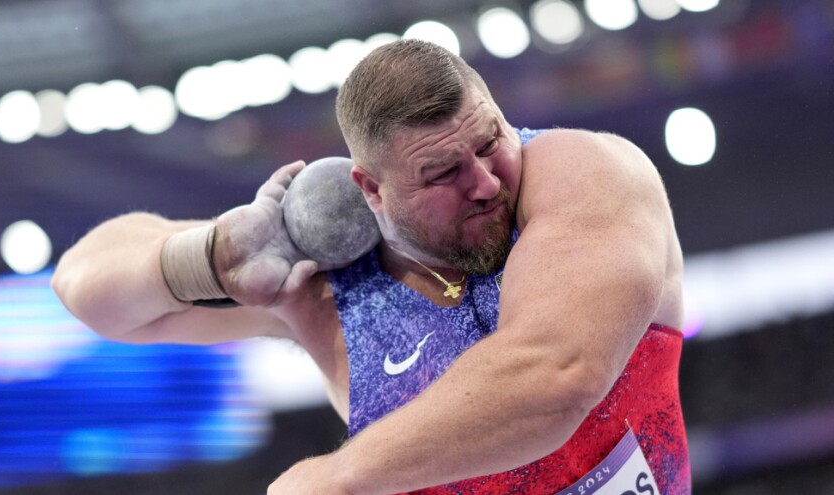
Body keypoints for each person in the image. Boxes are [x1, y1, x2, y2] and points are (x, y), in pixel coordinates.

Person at [52, 39, 690, 494]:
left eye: (490, 141)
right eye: (443, 173)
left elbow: (553, 378)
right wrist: (213, 258)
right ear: (372, 189)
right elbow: (85, 289)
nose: (488, 183)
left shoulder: (584, 174)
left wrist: (339, 477)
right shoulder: (325, 290)